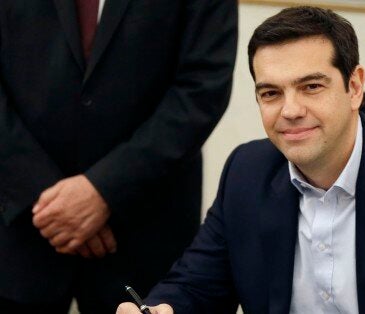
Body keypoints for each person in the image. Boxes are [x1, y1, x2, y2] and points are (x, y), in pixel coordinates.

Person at [117, 6, 365, 314]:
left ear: (354, 86)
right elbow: (195, 285)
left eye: (311, 87)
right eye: (270, 93)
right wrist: (158, 309)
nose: (291, 110)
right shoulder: (246, 172)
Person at [0, 0, 237, 313]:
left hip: (145, 230)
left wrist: (105, 189)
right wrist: (50, 198)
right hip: (22, 225)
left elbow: (202, 88)